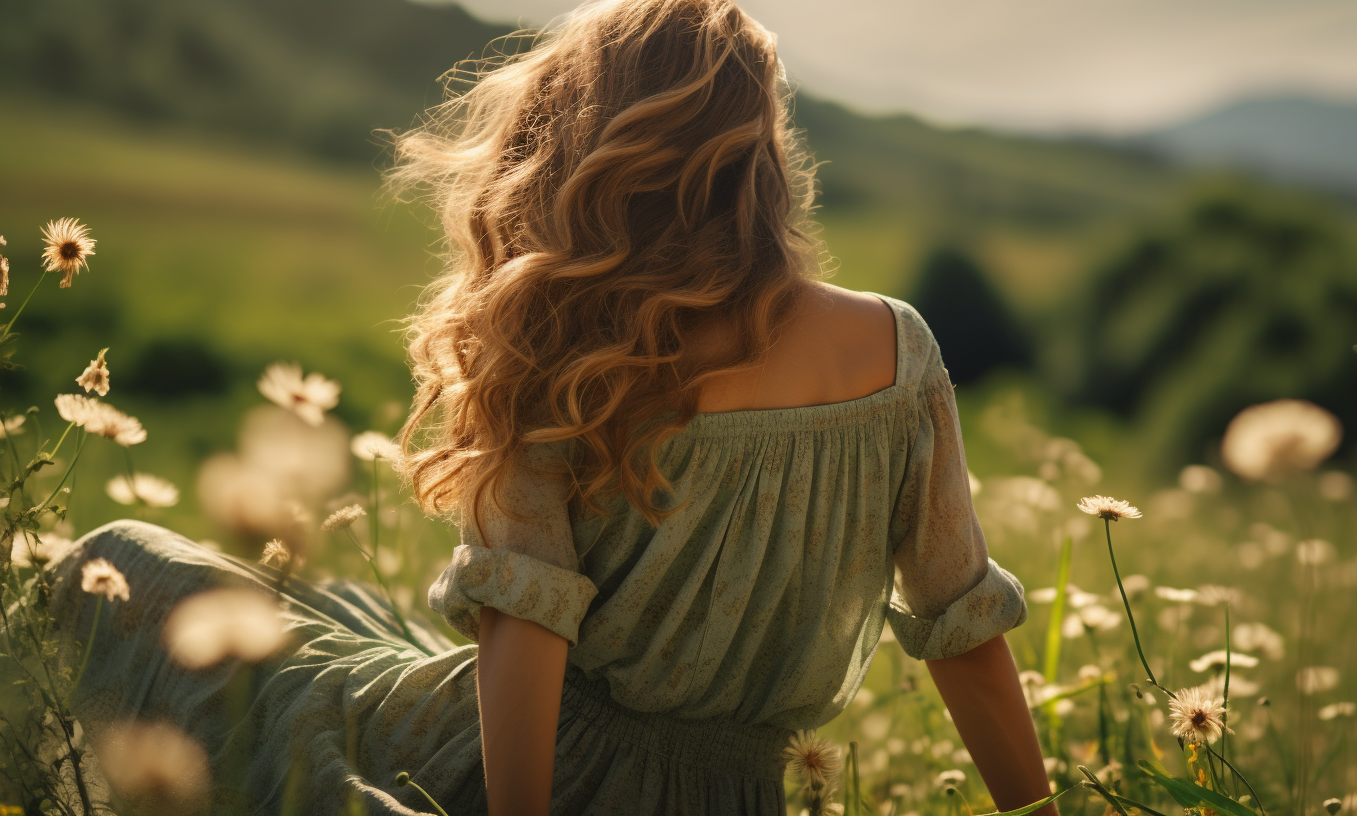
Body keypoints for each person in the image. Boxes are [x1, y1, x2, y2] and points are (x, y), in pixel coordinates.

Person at [52, 0, 1057, 814]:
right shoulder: (897, 347)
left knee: (121, 566)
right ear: (762, 146)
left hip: (531, 782)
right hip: (742, 791)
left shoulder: (563, 344)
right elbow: (959, 619)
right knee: (335, 607)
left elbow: (527, 634)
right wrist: (1037, 813)